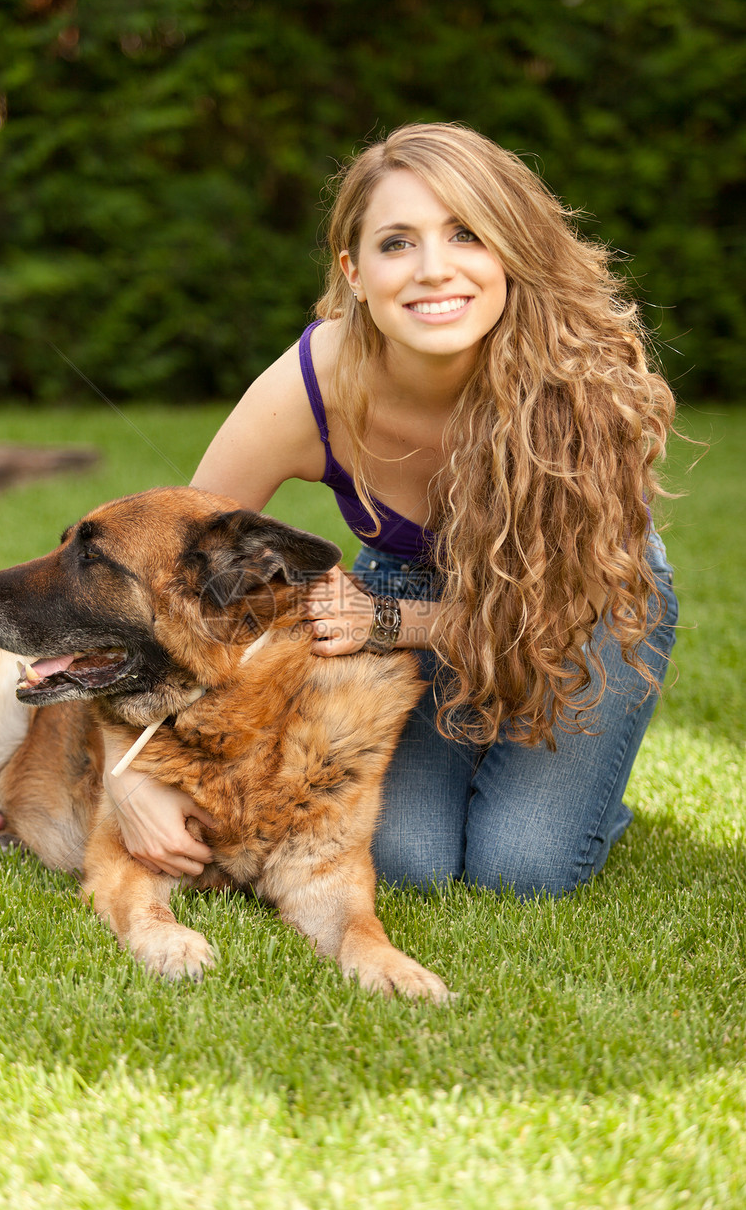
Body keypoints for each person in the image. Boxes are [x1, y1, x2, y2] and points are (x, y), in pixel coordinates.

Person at [105, 122, 678, 898]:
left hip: (580, 608)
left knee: (523, 870)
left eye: (467, 235)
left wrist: (388, 624)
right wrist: (127, 770)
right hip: (401, 589)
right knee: (410, 865)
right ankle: (500, 770)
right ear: (355, 269)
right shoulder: (304, 390)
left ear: (511, 251)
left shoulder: (579, 379)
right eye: (397, 243)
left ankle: (580, 795)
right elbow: (162, 578)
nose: (434, 271)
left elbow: (559, 609)